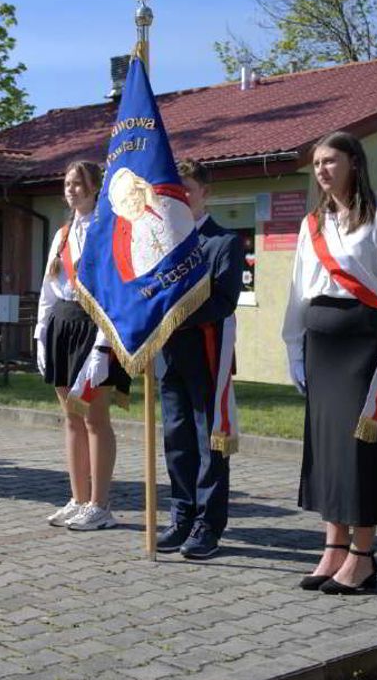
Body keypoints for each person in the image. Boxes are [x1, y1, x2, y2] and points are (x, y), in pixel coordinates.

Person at [282, 131, 377, 594]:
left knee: (360, 451)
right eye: (317, 163)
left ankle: (362, 556)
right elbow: (298, 291)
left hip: (365, 350)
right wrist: (294, 347)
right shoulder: (312, 224)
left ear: (354, 163)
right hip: (321, 348)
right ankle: (332, 548)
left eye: (330, 161)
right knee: (327, 452)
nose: (322, 170)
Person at [155, 159, 245, 559]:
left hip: (207, 354)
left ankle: (209, 523)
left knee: (210, 441)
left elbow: (223, 301)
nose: (181, 197)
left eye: (187, 189)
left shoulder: (223, 241)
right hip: (170, 355)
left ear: (205, 192)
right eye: (175, 191)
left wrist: (173, 313)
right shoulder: (161, 244)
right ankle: (182, 514)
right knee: (176, 440)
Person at [35, 161, 131, 530]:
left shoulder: (109, 231)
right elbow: (49, 285)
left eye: (79, 184)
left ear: (95, 189)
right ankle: (77, 497)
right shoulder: (62, 234)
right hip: (63, 323)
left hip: (95, 328)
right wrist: (41, 334)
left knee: (95, 418)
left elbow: (113, 291)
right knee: (71, 418)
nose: (72, 189)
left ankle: (100, 503)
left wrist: (103, 347)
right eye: (67, 183)